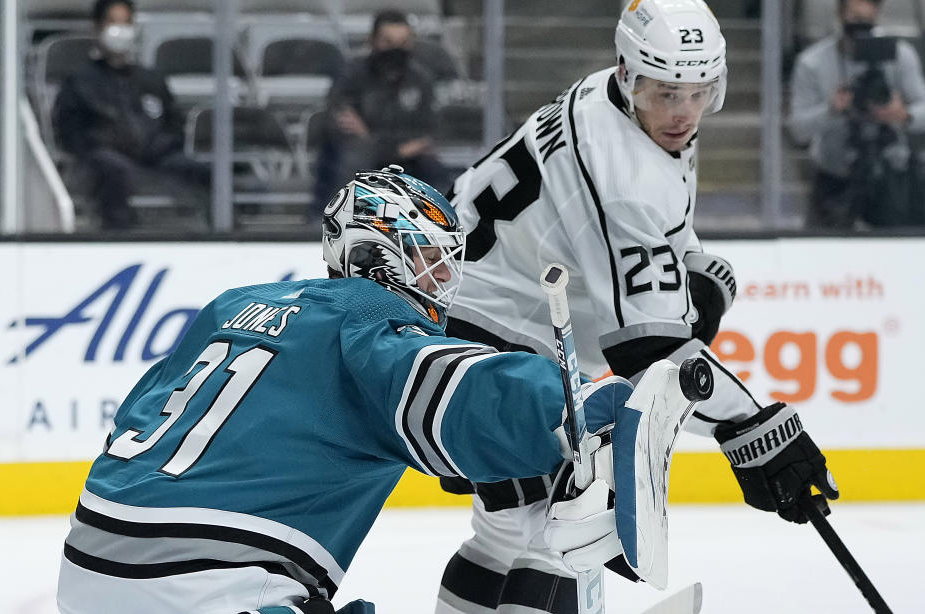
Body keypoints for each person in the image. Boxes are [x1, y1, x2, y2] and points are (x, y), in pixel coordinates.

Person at [56, 168, 684, 614]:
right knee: (567, 528)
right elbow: (447, 385)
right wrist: (572, 404)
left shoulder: (235, 305)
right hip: (210, 586)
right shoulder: (364, 316)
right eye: (428, 260)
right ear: (375, 256)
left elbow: (135, 416)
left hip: (86, 566)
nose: (443, 281)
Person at [435, 0, 840, 614]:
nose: (682, 111)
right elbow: (647, 350)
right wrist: (754, 430)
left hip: (466, 316)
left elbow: (654, 228)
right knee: (568, 527)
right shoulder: (622, 168)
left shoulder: (615, 97)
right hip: (490, 340)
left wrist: (689, 272)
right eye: (665, 93)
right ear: (630, 74)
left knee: (507, 530)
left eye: (699, 91)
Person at [52, 0, 210, 230]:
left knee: (203, 172)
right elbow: (70, 133)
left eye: (127, 23)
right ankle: (123, 239)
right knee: (114, 172)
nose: (121, 30)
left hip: (155, 155)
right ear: (97, 28)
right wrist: (107, 145)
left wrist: (157, 146)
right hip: (105, 159)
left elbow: (172, 124)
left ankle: (219, 236)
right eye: (113, 23)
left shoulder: (150, 79)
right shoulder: (80, 82)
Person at [789, 0, 925, 228]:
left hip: (889, 174)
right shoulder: (812, 63)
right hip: (834, 176)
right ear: (840, 13)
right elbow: (797, 129)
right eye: (855, 20)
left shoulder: (899, 55)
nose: (861, 29)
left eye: (868, 21)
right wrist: (831, 110)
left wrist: (903, 115)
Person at [313, 10, 451, 217]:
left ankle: (438, 231)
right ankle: (338, 226)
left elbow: (429, 131)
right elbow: (341, 123)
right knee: (351, 159)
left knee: (435, 171)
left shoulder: (421, 80)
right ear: (372, 41)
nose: (396, 49)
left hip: (408, 157)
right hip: (362, 155)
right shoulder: (351, 75)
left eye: (403, 42)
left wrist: (373, 136)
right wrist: (394, 146)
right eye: (388, 42)